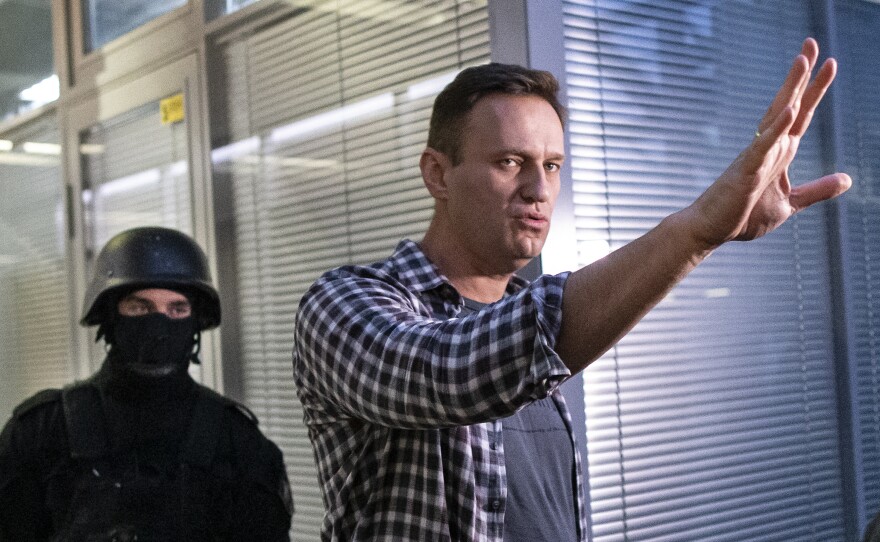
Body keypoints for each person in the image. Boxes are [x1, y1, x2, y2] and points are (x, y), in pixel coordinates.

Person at [292, 37, 851, 541]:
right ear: (438, 174)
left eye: (553, 165)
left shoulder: (527, 315)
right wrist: (696, 231)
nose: (539, 189)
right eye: (509, 162)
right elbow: (451, 371)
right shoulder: (344, 303)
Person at [0, 226, 293, 541]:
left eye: (177, 309)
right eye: (140, 307)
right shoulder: (41, 430)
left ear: (196, 322)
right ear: (111, 315)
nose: (159, 326)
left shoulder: (236, 440)